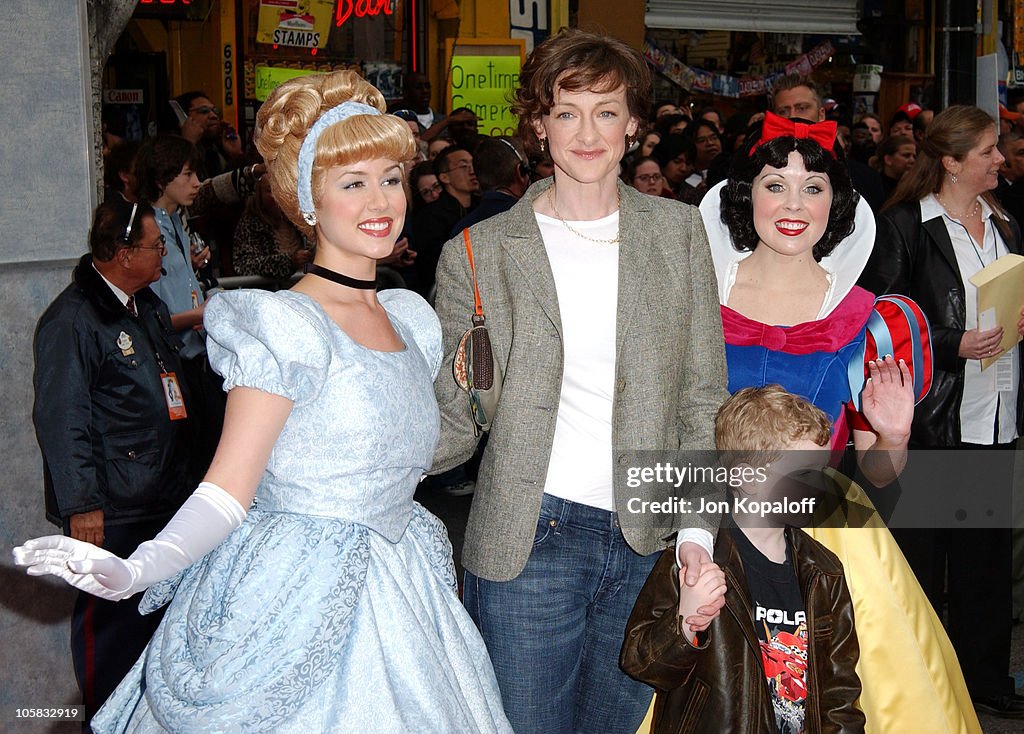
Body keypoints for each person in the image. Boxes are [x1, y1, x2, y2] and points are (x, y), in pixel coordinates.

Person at [14, 70, 513, 733]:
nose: (380, 200)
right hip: (289, 595)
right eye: (352, 182)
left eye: (389, 177)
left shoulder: (408, 318)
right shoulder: (283, 327)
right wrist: (137, 570)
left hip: (404, 591)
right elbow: (227, 488)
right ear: (308, 200)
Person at [430, 29, 729, 734]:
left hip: (646, 539)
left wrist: (696, 536)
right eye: (567, 111)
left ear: (633, 123)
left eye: (605, 110)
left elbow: (700, 398)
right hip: (529, 538)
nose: (587, 132)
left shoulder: (679, 234)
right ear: (539, 124)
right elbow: (456, 411)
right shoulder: (479, 251)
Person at [699, 111, 982, 732]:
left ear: (837, 202)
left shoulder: (874, 321)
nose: (794, 203)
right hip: (705, 525)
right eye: (775, 184)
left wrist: (894, 435)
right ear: (747, 197)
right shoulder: (695, 300)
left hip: (828, 535)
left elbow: (879, 474)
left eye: (813, 186)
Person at [861, 104, 1024, 720]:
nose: (1000, 160)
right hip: (932, 420)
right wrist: (952, 342)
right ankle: (925, 682)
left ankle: (984, 678)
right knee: (923, 564)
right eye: (987, 151)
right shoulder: (904, 224)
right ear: (952, 163)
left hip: (994, 409)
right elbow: (881, 317)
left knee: (984, 562)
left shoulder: (1003, 220)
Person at [30, 199, 197, 725]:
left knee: (156, 630)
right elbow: (62, 418)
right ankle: (104, 719)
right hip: (113, 509)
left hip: (163, 494)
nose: (165, 255)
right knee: (110, 632)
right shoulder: (73, 320)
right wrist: (82, 505)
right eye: (155, 245)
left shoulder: (142, 306)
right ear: (123, 254)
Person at [622, 386, 864, 734]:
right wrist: (686, 623)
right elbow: (642, 664)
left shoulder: (824, 573)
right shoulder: (695, 561)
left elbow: (840, 694)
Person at [232, 174, 313, 279]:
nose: (277, 196)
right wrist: (289, 262)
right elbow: (243, 266)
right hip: (272, 292)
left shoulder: (300, 219)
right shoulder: (250, 224)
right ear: (259, 195)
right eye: (270, 190)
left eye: (282, 190)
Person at [871, 134, 916, 202]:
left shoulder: (916, 184)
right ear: (888, 159)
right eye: (906, 156)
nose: (912, 160)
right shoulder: (874, 185)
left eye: (914, 156)